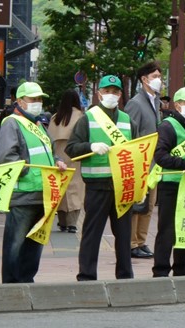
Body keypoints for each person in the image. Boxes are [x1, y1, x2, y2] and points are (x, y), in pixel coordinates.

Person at [65, 75, 138, 281]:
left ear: (121, 95)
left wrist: (141, 186)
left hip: (123, 187)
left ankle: (125, 275)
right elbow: (71, 148)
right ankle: (87, 275)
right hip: (97, 187)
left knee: (124, 236)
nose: (111, 95)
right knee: (91, 234)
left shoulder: (128, 121)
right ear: (99, 94)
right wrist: (90, 147)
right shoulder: (88, 119)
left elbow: (138, 153)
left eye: (115, 92)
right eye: (107, 91)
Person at [0, 81, 67, 283]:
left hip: (43, 194)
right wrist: (28, 170)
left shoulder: (38, 125)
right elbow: (5, 157)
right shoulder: (12, 123)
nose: (38, 103)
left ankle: (27, 282)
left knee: (35, 243)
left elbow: (50, 154)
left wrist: (58, 162)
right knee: (15, 244)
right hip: (23, 194)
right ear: (20, 101)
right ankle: (11, 285)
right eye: (33, 99)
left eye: (39, 99)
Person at [152, 87, 185, 277]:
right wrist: (183, 164)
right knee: (167, 229)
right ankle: (160, 269)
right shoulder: (168, 126)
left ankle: (181, 266)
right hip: (171, 184)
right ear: (177, 105)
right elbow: (160, 156)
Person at [125, 61, 162, 259]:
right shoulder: (136, 103)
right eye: (154, 77)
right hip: (140, 162)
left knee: (149, 205)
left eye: (159, 76)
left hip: (154, 163)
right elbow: (129, 134)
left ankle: (141, 241)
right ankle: (131, 243)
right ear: (144, 79)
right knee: (137, 205)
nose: (158, 80)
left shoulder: (156, 102)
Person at [48, 89, 85, 233]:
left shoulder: (55, 117)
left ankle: (62, 222)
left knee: (60, 187)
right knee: (75, 188)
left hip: (58, 156)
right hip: (74, 155)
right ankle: (72, 223)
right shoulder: (81, 117)